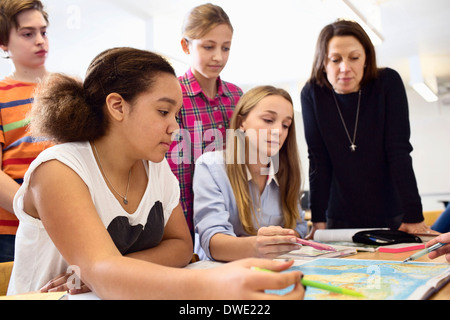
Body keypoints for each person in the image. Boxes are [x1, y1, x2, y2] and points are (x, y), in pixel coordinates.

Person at [7, 47, 304, 300]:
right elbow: (101, 271)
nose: (175, 126)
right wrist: (211, 284)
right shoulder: (59, 169)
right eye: (163, 112)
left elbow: (180, 246)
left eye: (176, 114)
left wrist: (115, 270)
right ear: (117, 106)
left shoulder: (155, 167)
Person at [301, 19, 430, 237]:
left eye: (354, 58)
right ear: (323, 62)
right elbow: (318, 159)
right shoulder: (312, 94)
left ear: (366, 59)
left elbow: (398, 151)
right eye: (335, 59)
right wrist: (318, 220)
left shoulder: (387, 83)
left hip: (391, 211)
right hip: (339, 215)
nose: (345, 68)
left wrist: (414, 215)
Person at [193, 86, 307, 261]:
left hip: (271, 272)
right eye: (268, 120)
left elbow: (300, 226)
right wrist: (259, 245)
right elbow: (212, 241)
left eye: (286, 125)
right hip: (220, 276)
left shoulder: (285, 173)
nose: (278, 131)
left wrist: (284, 236)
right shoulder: (211, 166)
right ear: (241, 123)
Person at [167, 3, 243, 239]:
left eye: (226, 48)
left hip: (225, 224)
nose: (218, 57)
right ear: (185, 45)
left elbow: (244, 163)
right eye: (208, 46)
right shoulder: (171, 95)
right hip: (179, 220)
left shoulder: (236, 98)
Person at [0, 0, 51, 262]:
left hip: (69, 225)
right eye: (28, 34)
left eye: (43, 32)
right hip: (13, 233)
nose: (40, 40)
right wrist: (36, 213)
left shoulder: (72, 88)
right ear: (4, 43)